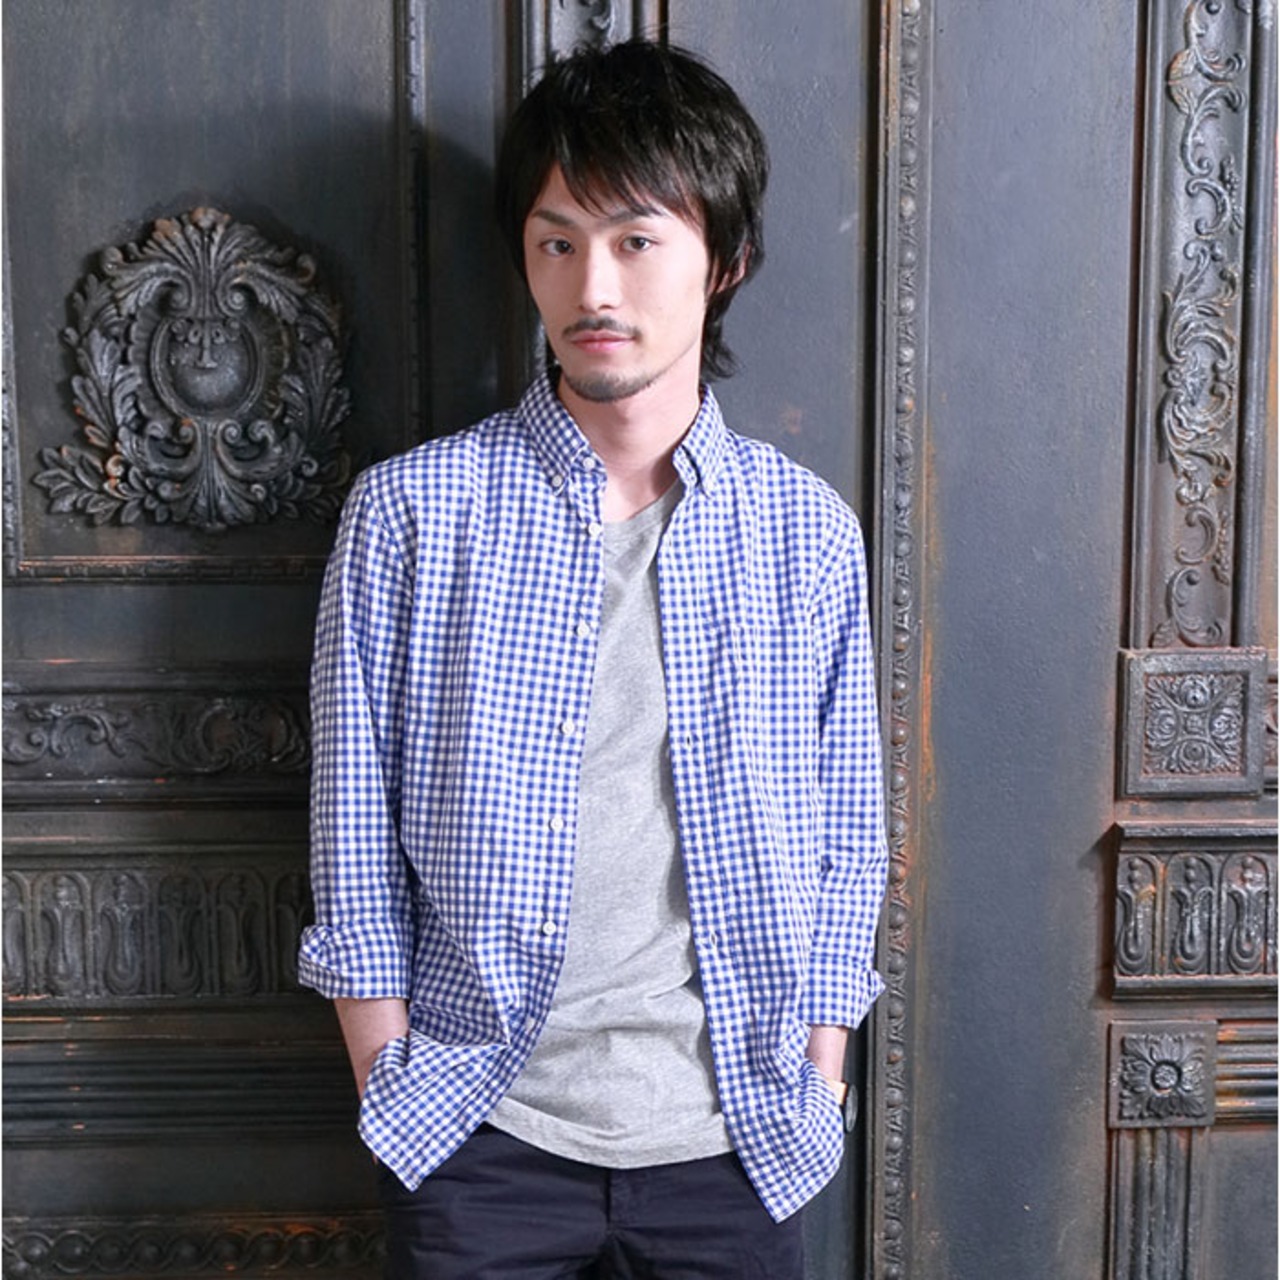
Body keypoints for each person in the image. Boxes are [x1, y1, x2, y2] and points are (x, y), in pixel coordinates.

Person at [299, 37, 888, 1279]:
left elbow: (847, 830)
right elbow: (351, 819)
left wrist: (821, 1066)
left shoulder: (803, 533)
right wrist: (384, 1066)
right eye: (556, 241)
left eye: (634, 239)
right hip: (478, 1135)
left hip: (736, 1137)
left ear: (722, 260)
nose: (591, 285)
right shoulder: (413, 516)